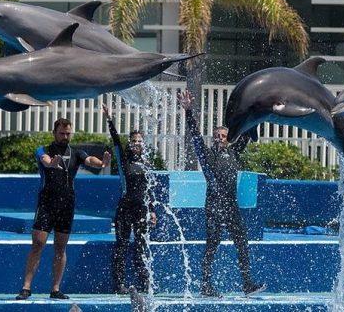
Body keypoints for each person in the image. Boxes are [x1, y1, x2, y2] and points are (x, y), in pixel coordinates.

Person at [178, 90, 265, 297]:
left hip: (231, 205)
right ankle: (206, 285)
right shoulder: (207, 155)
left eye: (223, 136)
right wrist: (188, 111)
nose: (219, 138)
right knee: (212, 245)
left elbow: (247, 132)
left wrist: (257, 110)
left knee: (241, 242)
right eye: (216, 136)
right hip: (214, 206)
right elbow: (196, 136)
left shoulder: (234, 152)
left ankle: (247, 284)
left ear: (228, 139)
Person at [16, 118, 111, 301]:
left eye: (68, 133)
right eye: (62, 133)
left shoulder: (76, 153)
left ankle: (55, 289)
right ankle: (26, 287)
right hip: (47, 203)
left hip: (67, 205)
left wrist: (101, 163)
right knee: (38, 244)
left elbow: (89, 159)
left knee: (60, 247)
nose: (65, 136)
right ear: (54, 133)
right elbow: (44, 160)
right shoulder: (44, 150)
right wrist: (51, 163)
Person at [103, 104, 157, 295]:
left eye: (140, 141)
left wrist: (152, 210)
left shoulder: (147, 163)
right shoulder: (124, 160)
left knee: (141, 246)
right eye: (134, 141)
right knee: (122, 245)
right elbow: (116, 140)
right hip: (125, 208)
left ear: (143, 144)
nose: (137, 143)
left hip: (141, 210)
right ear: (130, 143)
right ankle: (119, 284)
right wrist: (110, 119)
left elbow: (149, 190)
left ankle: (144, 281)